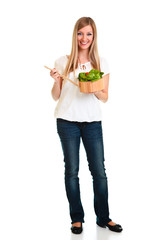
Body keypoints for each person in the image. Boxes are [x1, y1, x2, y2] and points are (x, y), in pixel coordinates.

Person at [50, 17, 123, 234]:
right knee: (71, 171)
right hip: (67, 122)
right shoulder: (63, 62)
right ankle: (77, 219)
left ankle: (104, 218)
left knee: (98, 171)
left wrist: (93, 89)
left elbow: (105, 97)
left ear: (94, 36)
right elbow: (56, 96)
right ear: (75, 35)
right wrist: (55, 81)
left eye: (89, 34)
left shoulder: (101, 63)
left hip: (92, 122)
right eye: (81, 33)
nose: (84, 38)